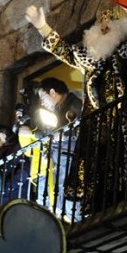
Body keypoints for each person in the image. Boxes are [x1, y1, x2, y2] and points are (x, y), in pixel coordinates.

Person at [25, 2, 127, 214]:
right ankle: (96, 204)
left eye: (108, 20)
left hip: (124, 122)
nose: (103, 25)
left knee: (123, 164)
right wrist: (42, 27)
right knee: (98, 170)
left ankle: (126, 195)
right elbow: (65, 51)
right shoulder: (90, 60)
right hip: (96, 129)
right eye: (99, 21)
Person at [37, 77, 82, 221]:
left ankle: (66, 212)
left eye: (43, 98)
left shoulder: (74, 103)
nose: (42, 102)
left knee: (63, 183)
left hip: (68, 152)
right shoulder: (58, 108)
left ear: (52, 92)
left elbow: (79, 127)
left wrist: (60, 136)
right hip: (61, 153)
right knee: (58, 184)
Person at [0, 125, 31, 205]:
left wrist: (7, 188)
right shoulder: (10, 148)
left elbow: (24, 170)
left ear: (2, 135)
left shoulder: (15, 146)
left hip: (14, 192)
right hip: (11, 192)